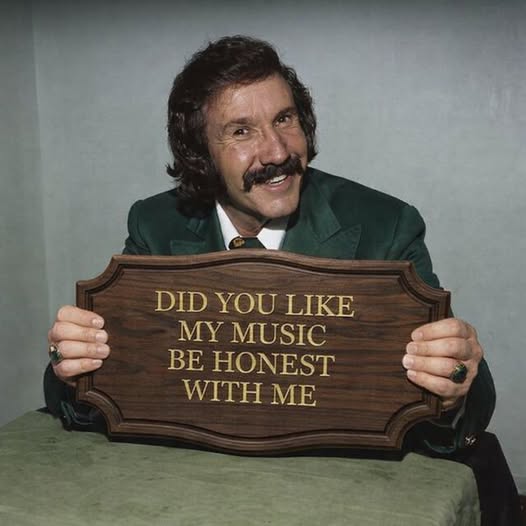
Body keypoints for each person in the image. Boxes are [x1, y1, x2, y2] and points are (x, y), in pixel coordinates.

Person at [44, 35, 495, 454]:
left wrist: (454, 387)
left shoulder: (386, 227)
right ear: (200, 153)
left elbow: (457, 415)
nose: (278, 152)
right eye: (241, 131)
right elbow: (110, 394)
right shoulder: (155, 226)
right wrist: (74, 367)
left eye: (284, 119)